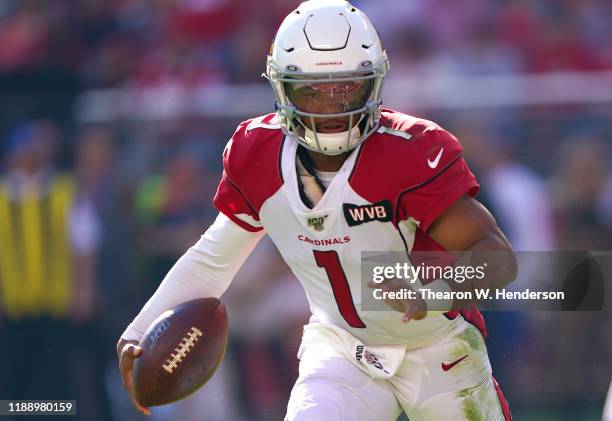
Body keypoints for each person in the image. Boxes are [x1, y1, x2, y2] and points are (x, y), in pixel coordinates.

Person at [117, 1, 517, 420]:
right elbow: (213, 260)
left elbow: (497, 258)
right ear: (282, 88)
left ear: (374, 82)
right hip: (341, 347)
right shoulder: (258, 153)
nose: (331, 108)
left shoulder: (409, 151)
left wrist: (431, 293)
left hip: (437, 346)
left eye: (346, 87)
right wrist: (141, 331)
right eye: (312, 90)